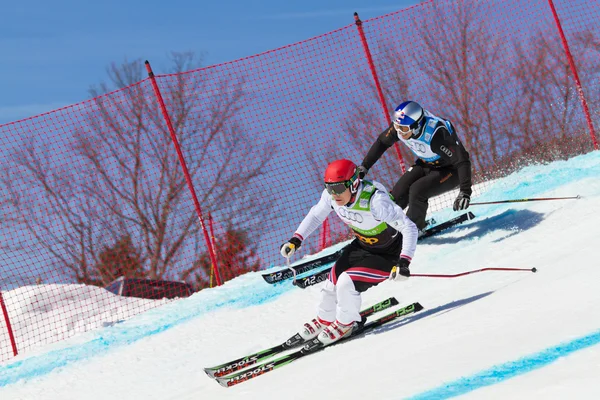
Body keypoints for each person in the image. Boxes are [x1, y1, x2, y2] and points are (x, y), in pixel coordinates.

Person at [279, 159, 418, 346]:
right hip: (362, 246)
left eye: (337, 188)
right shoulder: (332, 197)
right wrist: (296, 239)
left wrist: (404, 262)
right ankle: (324, 319)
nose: (334, 194)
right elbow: (316, 214)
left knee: (346, 283)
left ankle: (346, 323)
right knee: (331, 283)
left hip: (389, 254)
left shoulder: (376, 202)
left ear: (353, 184)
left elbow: (409, 228)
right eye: (329, 188)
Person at [358, 100, 472, 231]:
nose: (399, 132)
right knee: (396, 196)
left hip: (451, 170)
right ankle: (383, 232)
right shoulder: (400, 127)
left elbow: (462, 161)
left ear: (416, 126)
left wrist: (465, 192)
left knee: (417, 191)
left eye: (404, 128)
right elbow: (382, 143)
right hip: (425, 164)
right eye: (397, 126)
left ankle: (413, 230)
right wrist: (364, 167)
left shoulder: (437, 135)